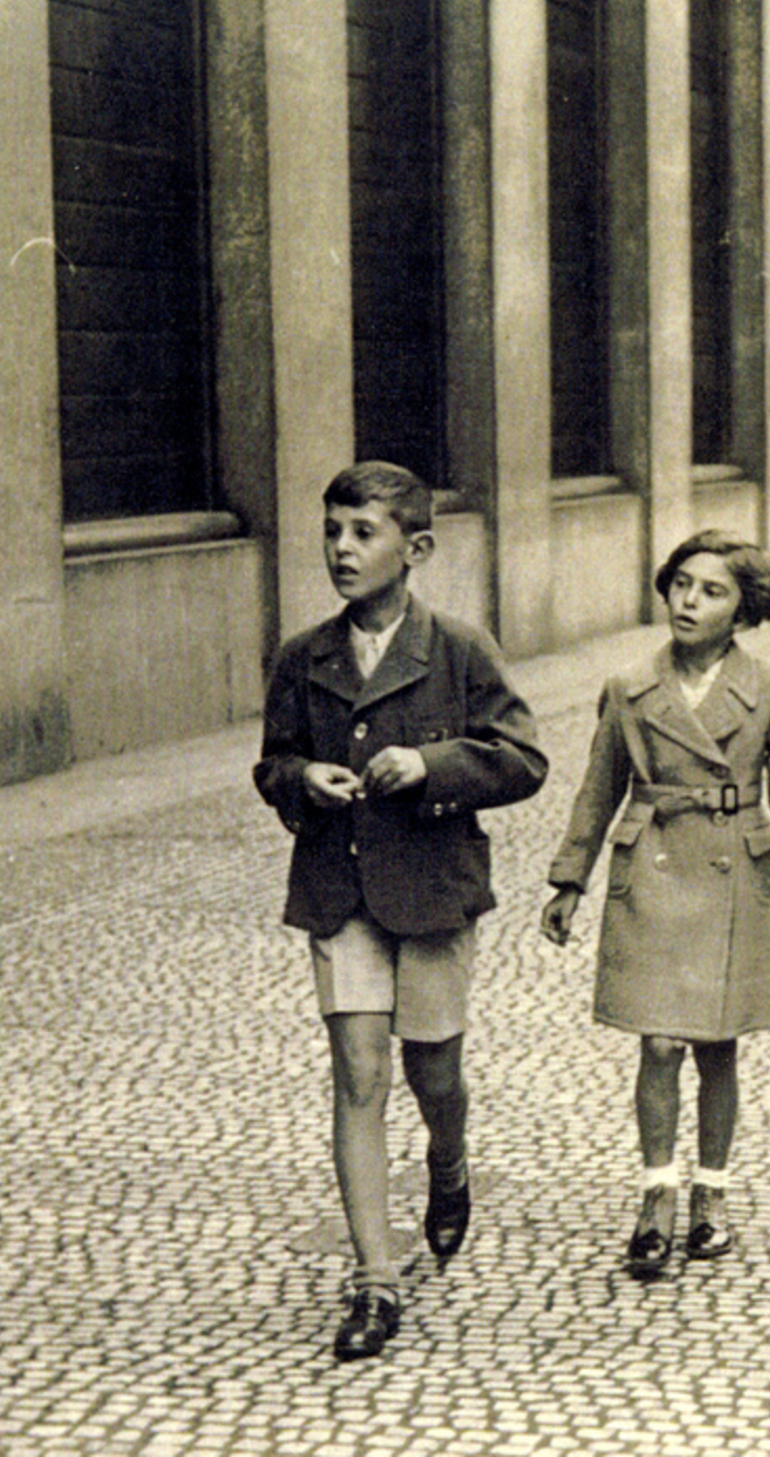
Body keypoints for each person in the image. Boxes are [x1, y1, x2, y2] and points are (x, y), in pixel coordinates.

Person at [254, 461, 548, 1360]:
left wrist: (432, 765)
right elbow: (272, 762)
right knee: (358, 1073)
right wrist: (302, 777)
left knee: (434, 1072)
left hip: (431, 892)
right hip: (338, 887)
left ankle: (448, 1162)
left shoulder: (459, 649)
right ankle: (374, 1280)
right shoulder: (303, 657)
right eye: (332, 532)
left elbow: (524, 760)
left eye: (363, 533)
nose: (341, 550)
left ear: (415, 548)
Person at [541, 531, 770, 1279]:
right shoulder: (630, 687)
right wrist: (570, 879)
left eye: (712, 591)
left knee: (719, 1045)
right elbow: (598, 789)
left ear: (745, 611)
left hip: (733, 869)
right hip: (653, 866)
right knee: (658, 1044)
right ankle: (656, 1194)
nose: (689, 601)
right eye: (682, 584)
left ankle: (710, 1195)